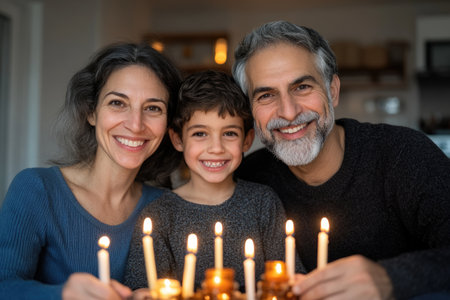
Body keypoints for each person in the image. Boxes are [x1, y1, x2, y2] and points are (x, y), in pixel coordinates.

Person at [233, 20, 450, 300]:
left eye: (302, 87)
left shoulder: (404, 154)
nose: (288, 112)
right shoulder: (249, 178)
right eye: (266, 95)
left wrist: (389, 278)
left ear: (332, 90)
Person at [0, 42, 182, 299]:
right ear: (91, 112)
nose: (135, 124)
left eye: (153, 108)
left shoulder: (165, 206)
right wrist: (63, 294)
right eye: (118, 103)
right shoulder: (37, 189)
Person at [124, 70, 304, 293]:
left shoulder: (263, 203)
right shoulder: (160, 215)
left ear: (247, 140)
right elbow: (142, 289)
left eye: (229, 134)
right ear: (178, 139)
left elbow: (292, 281)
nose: (216, 148)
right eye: (200, 134)